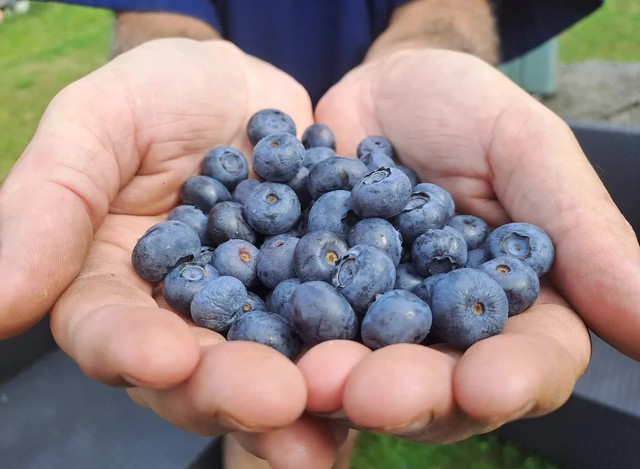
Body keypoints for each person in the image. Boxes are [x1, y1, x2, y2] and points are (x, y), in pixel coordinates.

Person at [1, 1, 638, 468]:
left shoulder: (396, 226)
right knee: (259, 401)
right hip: (220, 101)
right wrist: (162, 41)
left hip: (392, 89)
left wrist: (433, 43)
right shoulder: (241, 217)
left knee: (338, 392)